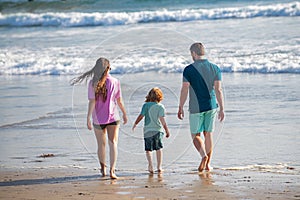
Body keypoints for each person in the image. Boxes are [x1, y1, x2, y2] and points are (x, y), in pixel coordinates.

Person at [71, 57, 128, 179]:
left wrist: (88, 119)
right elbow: (119, 100)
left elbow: (92, 102)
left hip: (98, 119)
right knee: (113, 143)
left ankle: (103, 169)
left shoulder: (92, 83)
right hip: (113, 117)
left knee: (101, 145)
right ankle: (112, 171)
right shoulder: (115, 81)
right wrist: (124, 113)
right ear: (108, 68)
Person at [177, 43, 224, 172]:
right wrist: (222, 108)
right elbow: (218, 89)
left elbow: (185, 89)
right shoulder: (215, 68)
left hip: (195, 107)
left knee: (195, 135)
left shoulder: (189, 69)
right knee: (208, 134)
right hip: (211, 105)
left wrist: (180, 106)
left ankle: (203, 156)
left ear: (193, 53)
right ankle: (208, 164)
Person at [132, 87, 170, 174]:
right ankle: (159, 166)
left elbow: (141, 116)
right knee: (158, 148)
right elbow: (162, 120)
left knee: (148, 149)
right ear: (160, 96)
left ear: (149, 96)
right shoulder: (161, 106)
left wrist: (135, 123)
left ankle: (150, 165)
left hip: (147, 131)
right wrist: (167, 130)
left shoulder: (145, 105)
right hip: (158, 130)